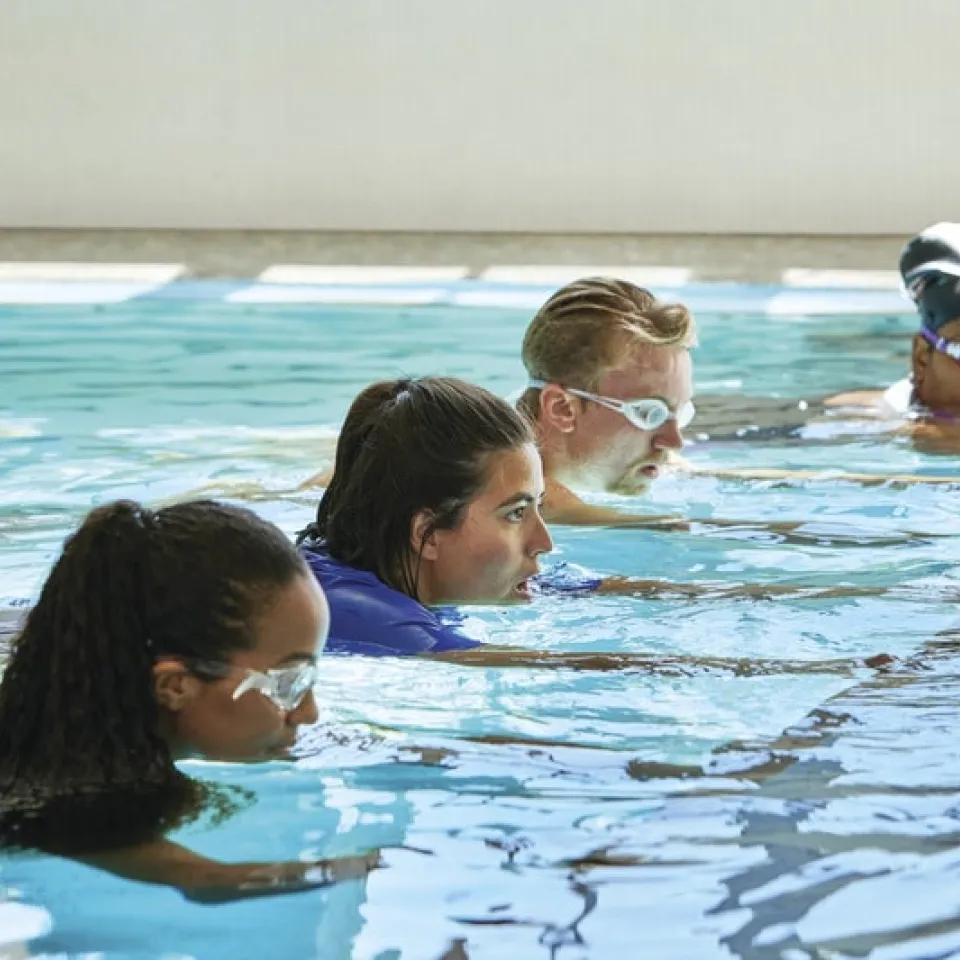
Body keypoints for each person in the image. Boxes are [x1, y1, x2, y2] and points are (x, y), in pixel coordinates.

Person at [297, 375, 890, 671]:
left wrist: (892, 596)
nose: (543, 541)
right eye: (514, 515)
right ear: (426, 532)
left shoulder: (406, 560)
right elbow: (573, 669)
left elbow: (658, 592)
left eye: (537, 506)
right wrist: (824, 667)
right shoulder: (348, 611)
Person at [0, 499, 380, 901]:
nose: (309, 713)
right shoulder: (57, 804)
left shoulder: (68, 738)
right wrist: (372, 866)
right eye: (288, 683)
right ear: (175, 686)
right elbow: (206, 881)